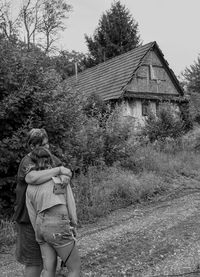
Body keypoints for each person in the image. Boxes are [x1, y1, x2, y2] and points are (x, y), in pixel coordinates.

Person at [13, 128, 72, 277]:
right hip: (28, 220)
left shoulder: (50, 158)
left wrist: (64, 177)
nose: (47, 148)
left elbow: (67, 172)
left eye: (47, 144)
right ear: (32, 147)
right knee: (34, 262)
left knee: (50, 263)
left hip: (49, 219)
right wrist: (58, 170)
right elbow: (31, 178)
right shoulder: (27, 161)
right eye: (43, 145)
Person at [26, 146, 81, 277]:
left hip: (40, 226)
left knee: (48, 270)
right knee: (75, 269)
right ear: (50, 161)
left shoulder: (30, 186)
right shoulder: (59, 179)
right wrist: (73, 224)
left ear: (33, 163)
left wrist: (39, 234)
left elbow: (31, 212)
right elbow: (70, 203)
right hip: (58, 224)